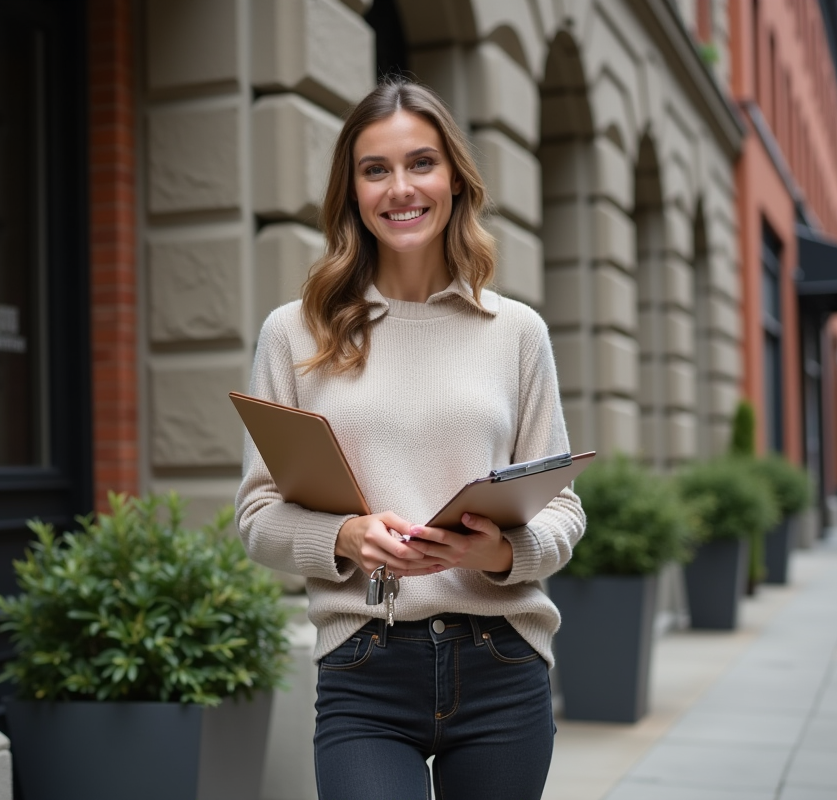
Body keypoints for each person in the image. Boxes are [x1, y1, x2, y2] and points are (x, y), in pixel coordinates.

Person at [235, 78, 586, 800]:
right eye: (376, 169)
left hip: (502, 663)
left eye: (421, 163)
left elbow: (565, 511)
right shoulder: (295, 332)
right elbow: (257, 519)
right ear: (353, 192)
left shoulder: (516, 332)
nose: (401, 188)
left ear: (454, 179)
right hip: (365, 666)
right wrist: (345, 537)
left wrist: (501, 553)